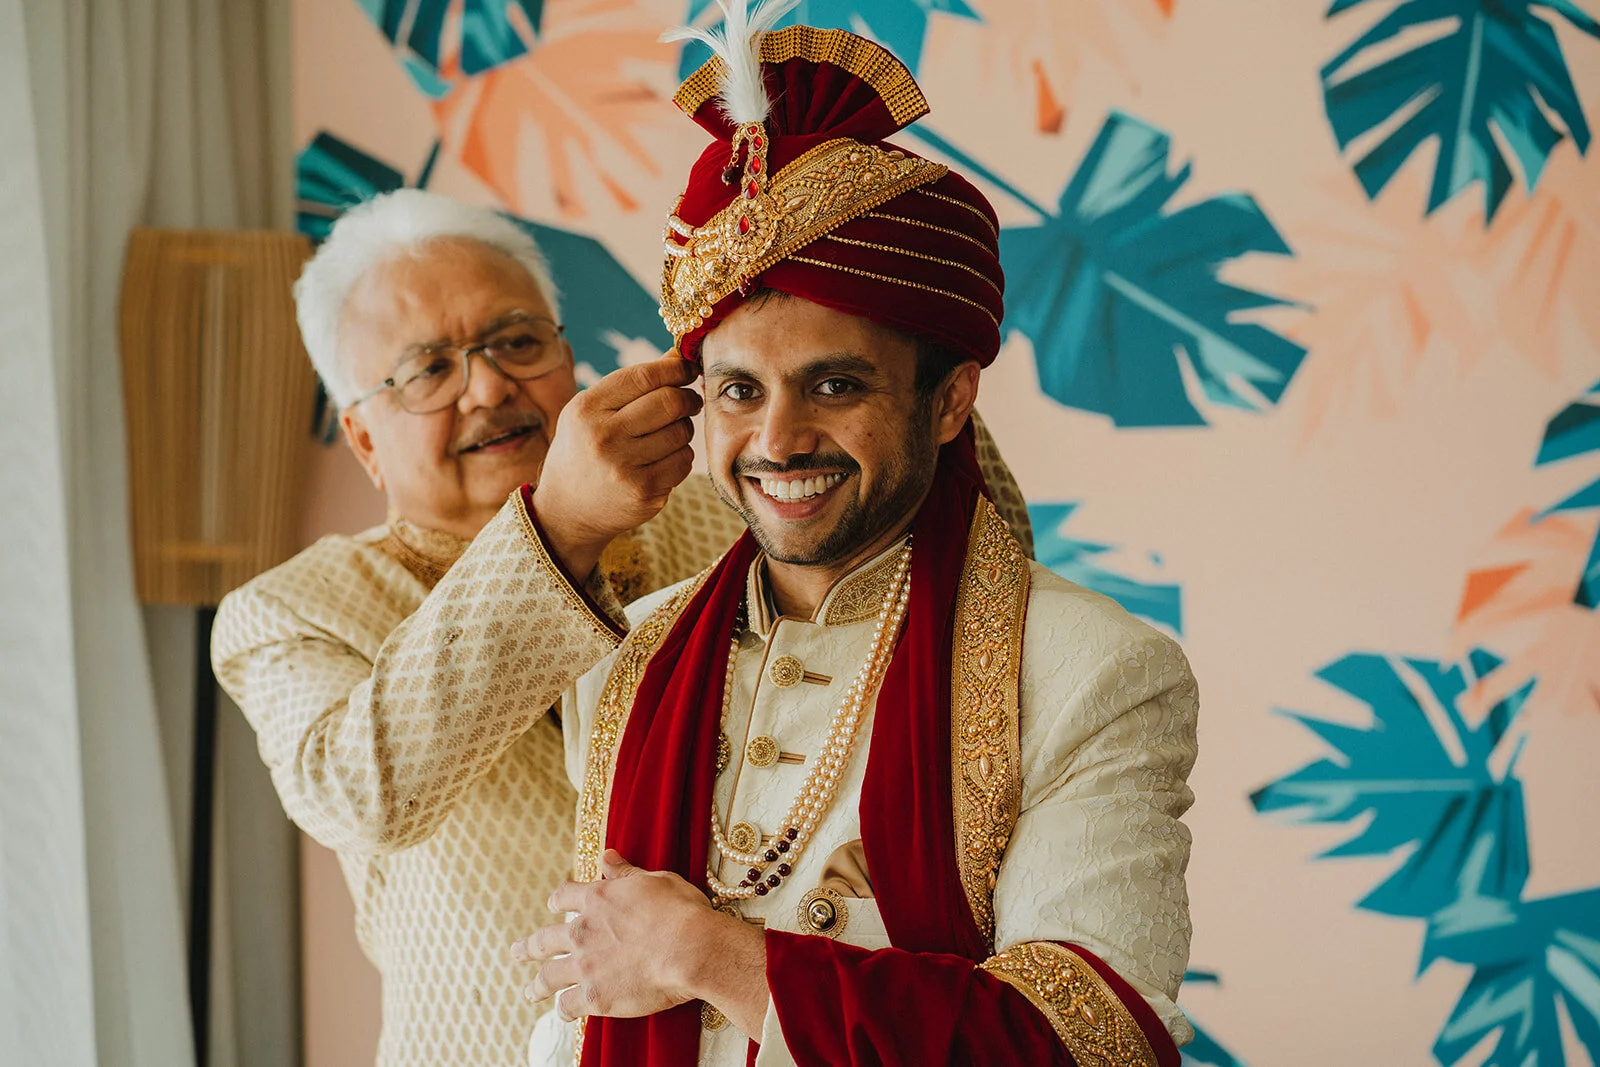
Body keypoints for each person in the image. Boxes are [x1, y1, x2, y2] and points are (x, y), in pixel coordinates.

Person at [211, 190, 1033, 1066]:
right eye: (428, 371)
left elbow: (986, 563)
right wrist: (559, 526)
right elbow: (363, 796)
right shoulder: (293, 609)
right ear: (364, 440)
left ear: (567, 356)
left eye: (517, 342)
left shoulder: (729, 500)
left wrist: (857, 331)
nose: (488, 387)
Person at [516, 11, 1197, 1067]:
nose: (777, 439)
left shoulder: (1091, 671)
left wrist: (709, 954)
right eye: (739, 390)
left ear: (949, 400)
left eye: (834, 385)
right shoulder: (631, 655)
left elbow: (1090, 1040)